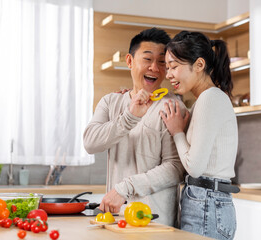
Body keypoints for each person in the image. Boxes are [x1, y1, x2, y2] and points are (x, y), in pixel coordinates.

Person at [83, 28, 187, 226]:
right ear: (130, 61)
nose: (155, 68)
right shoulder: (110, 102)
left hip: (155, 222)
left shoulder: (173, 108)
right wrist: (129, 117)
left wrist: (124, 188)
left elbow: (175, 168)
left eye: (162, 62)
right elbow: (90, 143)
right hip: (115, 220)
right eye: (147, 59)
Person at [160, 30, 240, 239]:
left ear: (199, 65)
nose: (168, 74)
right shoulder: (205, 100)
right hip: (207, 201)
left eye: (174, 66)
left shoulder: (209, 99)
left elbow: (194, 167)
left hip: (206, 203)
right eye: (167, 67)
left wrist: (177, 131)